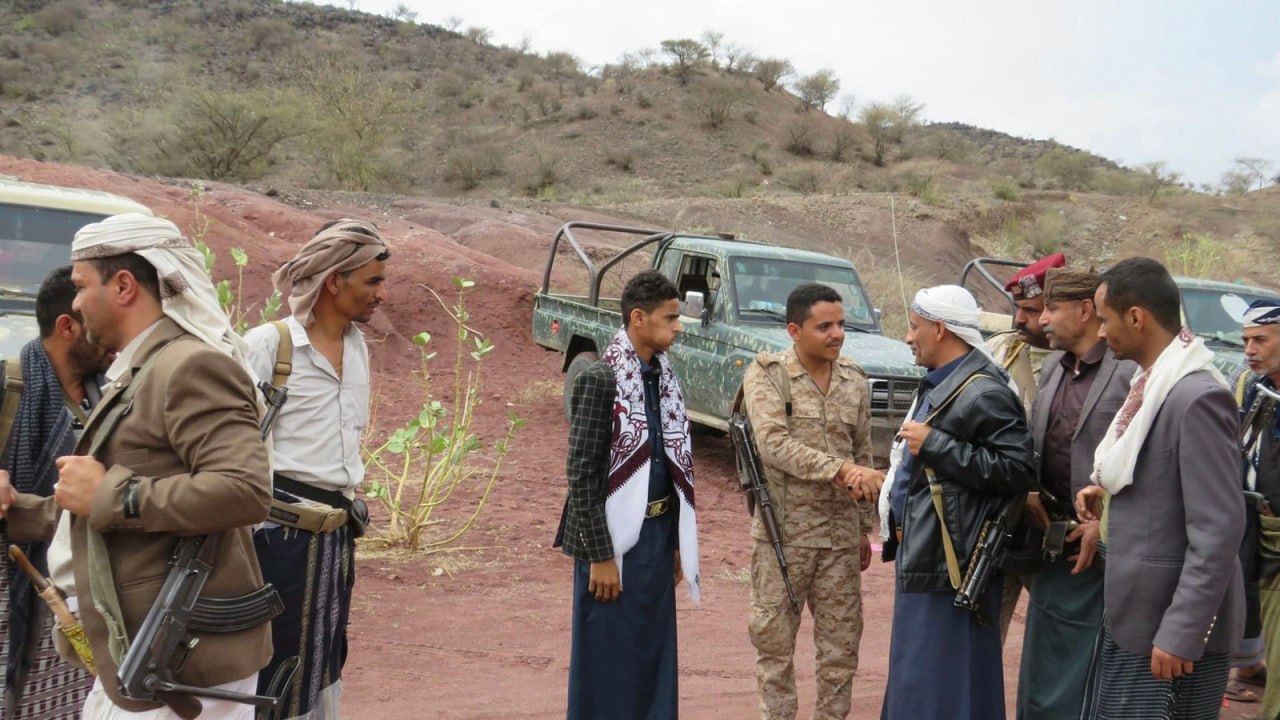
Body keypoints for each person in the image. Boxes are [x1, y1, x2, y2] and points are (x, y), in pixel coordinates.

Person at [0, 213, 273, 718]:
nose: (75, 302)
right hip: (140, 655)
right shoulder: (141, 369)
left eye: (82, 286)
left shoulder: (188, 365)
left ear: (123, 285)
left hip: (178, 662)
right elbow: (117, 508)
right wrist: (19, 508)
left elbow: (245, 489)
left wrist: (113, 495)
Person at [1076, 257, 1244, 719]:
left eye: (1106, 319)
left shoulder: (1196, 398)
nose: (1102, 332)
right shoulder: (1151, 386)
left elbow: (1218, 532)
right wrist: (1107, 492)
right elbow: (1160, 482)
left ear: (1136, 317)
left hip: (1169, 635)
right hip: (1136, 619)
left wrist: (1182, 632)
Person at [244, 218, 389, 720]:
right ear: (334, 281)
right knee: (274, 670)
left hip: (335, 540)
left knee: (325, 663)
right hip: (277, 542)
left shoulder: (357, 346)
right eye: (372, 280)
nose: (380, 294)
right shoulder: (268, 345)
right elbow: (231, 447)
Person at [878, 285, 1034, 720]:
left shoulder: (982, 391)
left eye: (914, 327)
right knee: (918, 680)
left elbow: (1018, 470)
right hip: (928, 556)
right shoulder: (946, 382)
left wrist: (937, 444)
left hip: (953, 567)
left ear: (940, 329)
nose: (909, 337)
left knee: (939, 684)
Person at [554, 270, 700, 720]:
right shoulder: (601, 379)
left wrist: (675, 544)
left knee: (651, 660)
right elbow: (580, 474)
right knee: (607, 664)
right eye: (670, 317)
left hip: (655, 542)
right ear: (639, 318)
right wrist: (600, 557)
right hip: (610, 546)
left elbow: (671, 469)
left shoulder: (665, 379)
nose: (679, 326)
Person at [742, 283, 883, 720]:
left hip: (840, 543)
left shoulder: (854, 379)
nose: (837, 334)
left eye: (841, 324)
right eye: (824, 326)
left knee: (840, 651)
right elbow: (773, 446)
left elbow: (863, 454)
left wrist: (863, 528)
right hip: (784, 538)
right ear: (794, 330)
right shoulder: (768, 375)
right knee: (774, 647)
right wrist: (840, 471)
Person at [1014, 268, 1135, 720]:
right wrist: (1029, 495)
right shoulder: (1052, 370)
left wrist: (1103, 528)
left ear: (1086, 311)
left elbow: (1140, 464)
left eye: (1052, 308)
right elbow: (1035, 441)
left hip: (1102, 546)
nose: (1042, 319)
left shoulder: (1127, 373)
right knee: (1042, 661)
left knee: (1085, 668)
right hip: (1052, 537)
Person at [0, 266, 107, 719]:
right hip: (10, 587)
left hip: (77, 585)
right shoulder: (9, 384)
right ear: (67, 326)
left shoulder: (110, 396)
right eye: (96, 324)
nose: (112, 337)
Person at [988, 252, 1063, 642]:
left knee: (1057, 635)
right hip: (1004, 514)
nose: (1021, 320)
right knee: (983, 635)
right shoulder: (1000, 351)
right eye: (1018, 309)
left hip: (1055, 524)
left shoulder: (1084, 363)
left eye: (1031, 310)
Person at [1238, 299, 1280, 717]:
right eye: (1246, 340)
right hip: (1263, 533)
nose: (1250, 349)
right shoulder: (1253, 387)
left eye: (1260, 339)